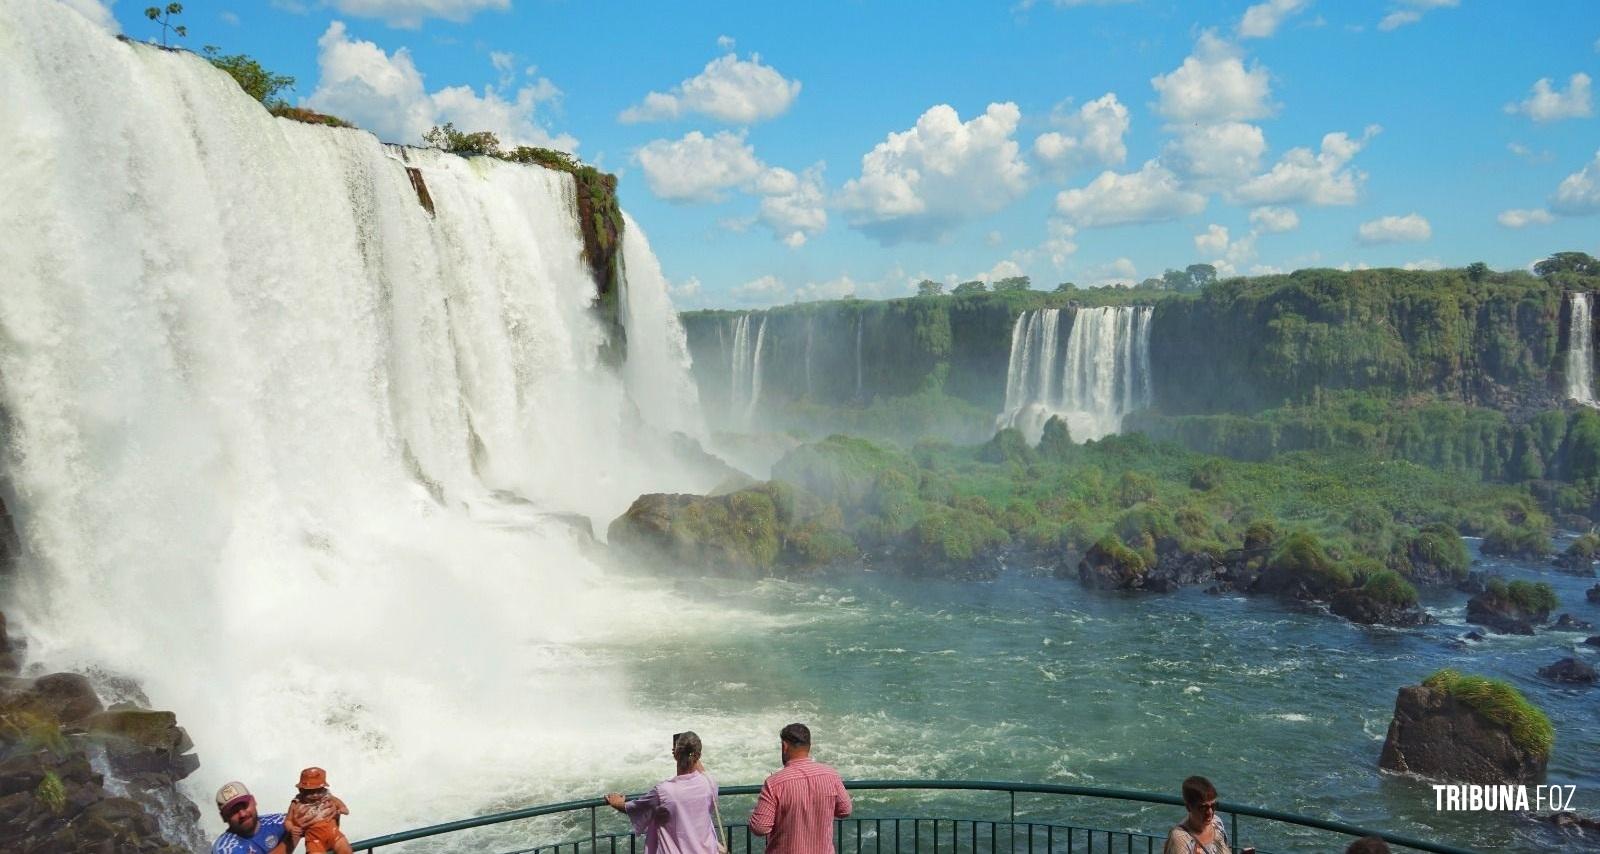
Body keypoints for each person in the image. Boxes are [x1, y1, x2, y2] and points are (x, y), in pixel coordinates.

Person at [605, 731, 721, 854]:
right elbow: (701, 771)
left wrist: (616, 802)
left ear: (676, 754)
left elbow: (635, 808)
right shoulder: (709, 783)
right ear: (698, 755)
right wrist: (689, 751)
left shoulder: (664, 791)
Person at [748, 723, 852, 854]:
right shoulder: (830, 774)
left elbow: (760, 828)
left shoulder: (774, 783)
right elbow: (845, 810)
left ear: (784, 746)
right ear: (809, 746)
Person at [212, 781, 300, 854]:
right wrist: (292, 838)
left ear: (254, 801)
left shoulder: (278, 822)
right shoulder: (225, 849)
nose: (242, 814)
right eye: (234, 811)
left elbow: (307, 816)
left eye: (244, 805)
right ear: (224, 817)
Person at [285, 766, 353, 854]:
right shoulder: (296, 803)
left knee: (346, 850)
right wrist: (291, 828)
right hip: (314, 839)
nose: (315, 795)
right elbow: (288, 820)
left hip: (334, 833)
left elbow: (339, 803)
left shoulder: (327, 797)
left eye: (318, 791)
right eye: (310, 792)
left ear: (323, 788)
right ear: (301, 790)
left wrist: (342, 809)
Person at [1163, 775, 1231, 854]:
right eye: (1203, 808)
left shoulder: (1217, 823)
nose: (1210, 812)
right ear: (1189, 807)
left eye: (1213, 806)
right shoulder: (1180, 839)